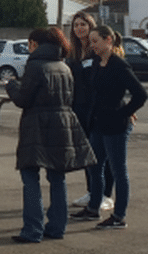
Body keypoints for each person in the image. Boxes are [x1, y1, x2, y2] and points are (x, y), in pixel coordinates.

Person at [5, 28, 96, 243]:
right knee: (57, 177)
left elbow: (23, 99)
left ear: (34, 44)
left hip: (37, 125)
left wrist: (11, 86)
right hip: (63, 124)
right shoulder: (64, 66)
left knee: (30, 177)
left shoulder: (35, 65)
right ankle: (57, 227)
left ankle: (32, 229)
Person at [70, 26, 147, 229]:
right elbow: (93, 91)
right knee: (95, 166)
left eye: (95, 41)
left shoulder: (119, 66)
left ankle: (119, 216)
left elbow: (140, 94)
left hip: (116, 126)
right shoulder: (97, 63)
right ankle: (93, 207)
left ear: (108, 40)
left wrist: (123, 113)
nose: (92, 45)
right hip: (98, 124)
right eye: (91, 41)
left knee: (118, 170)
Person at [66, 11, 115, 211]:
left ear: (90, 25)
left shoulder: (99, 50)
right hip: (79, 108)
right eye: (76, 25)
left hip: (98, 108)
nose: (79, 29)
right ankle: (92, 191)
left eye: (83, 25)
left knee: (102, 153)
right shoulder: (73, 53)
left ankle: (106, 194)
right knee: (87, 152)